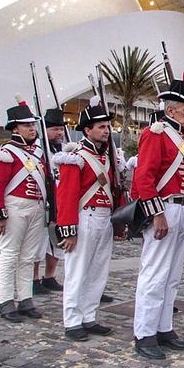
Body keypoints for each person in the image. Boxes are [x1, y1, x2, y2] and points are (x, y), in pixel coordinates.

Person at [129, 64, 184, 360]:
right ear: (170, 111)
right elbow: (144, 177)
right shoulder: (156, 134)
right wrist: (157, 213)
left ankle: (164, 327)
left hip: (182, 208)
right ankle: (144, 333)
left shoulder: (183, 138)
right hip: (166, 208)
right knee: (154, 274)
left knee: (172, 275)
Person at [54, 97, 120, 342]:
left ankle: (89, 316)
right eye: (101, 127)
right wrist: (68, 230)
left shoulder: (108, 156)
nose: (106, 131)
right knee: (77, 271)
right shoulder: (76, 157)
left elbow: (115, 189)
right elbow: (67, 196)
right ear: (87, 130)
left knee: (98, 271)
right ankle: (72, 320)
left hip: (105, 218)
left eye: (107, 127)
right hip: (85, 216)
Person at [0, 100, 48, 322]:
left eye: (32, 125)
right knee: (10, 255)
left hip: (36, 207)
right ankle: (6, 301)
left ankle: (25, 298)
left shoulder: (38, 154)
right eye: (26, 125)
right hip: (15, 207)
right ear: (15, 128)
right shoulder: (6, 153)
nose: (32, 129)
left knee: (28, 256)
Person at [31, 107, 66, 297]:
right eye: (55, 129)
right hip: (44, 200)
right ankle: (34, 278)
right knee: (39, 242)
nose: (59, 133)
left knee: (56, 241)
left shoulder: (64, 148)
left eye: (61, 129)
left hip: (60, 200)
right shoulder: (37, 149)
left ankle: (49, 276)